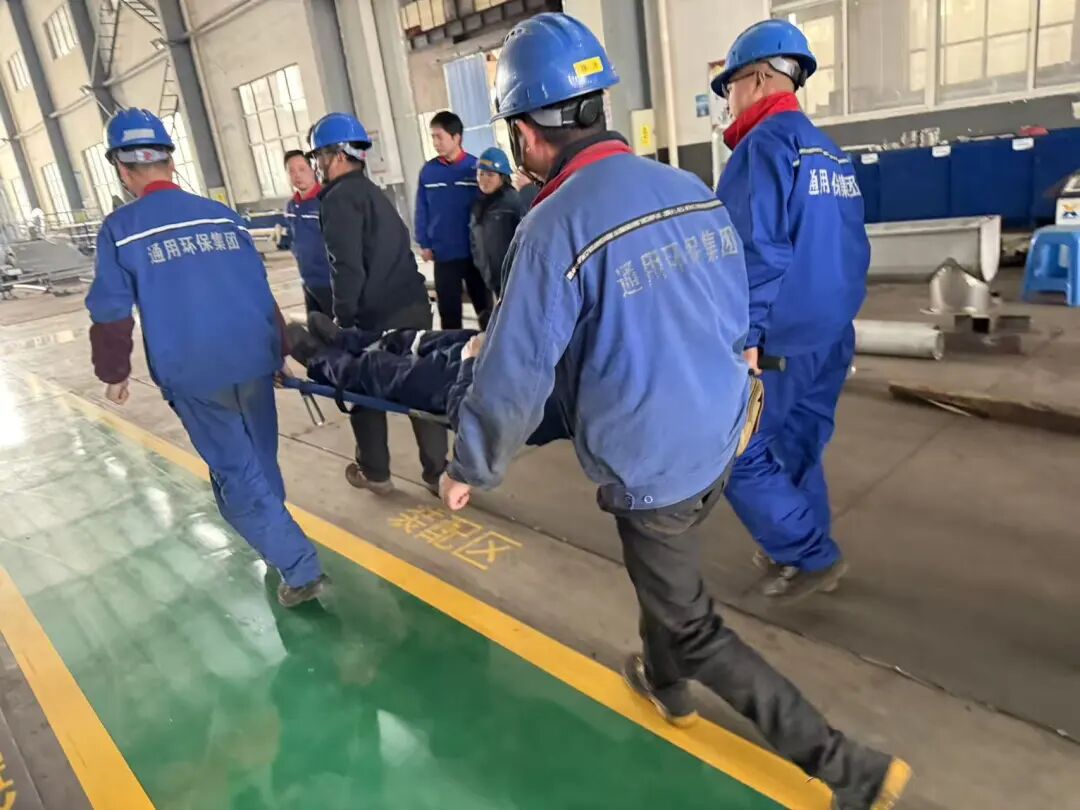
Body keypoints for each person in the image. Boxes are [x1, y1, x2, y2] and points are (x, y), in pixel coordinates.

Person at [437, 14, 909, 810]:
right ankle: (665, 684)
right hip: (724, 428)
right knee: (666, 581)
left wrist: (468, 465)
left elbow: (516, 371)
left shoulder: (553, 225)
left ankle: (850, 768)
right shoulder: (688, 188)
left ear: (525, 131)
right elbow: (735, 309)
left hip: (655, 463)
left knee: (691, 620)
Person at [85, 108, 326, 609]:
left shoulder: (121, 229)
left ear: (123, 170)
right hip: (252, 358)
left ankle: (299, 566)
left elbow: (111, 310)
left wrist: (114, 373)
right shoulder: (222, 217)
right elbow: (258, 288)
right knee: (258, 460)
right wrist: (277, 351)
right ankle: (278, 539)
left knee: (236, 476)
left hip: (194, 372)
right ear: (170, 163)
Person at [714, 20, 868, 603]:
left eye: (730, 86)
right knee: (797, 444)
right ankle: (801, 542)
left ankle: (809, 554)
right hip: (831, 335)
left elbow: (754, 251)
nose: (728, 101)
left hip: (780, 341)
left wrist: (746, 336)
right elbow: (853, 245)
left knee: (735, 450)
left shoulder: (764, 147)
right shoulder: (829, 152)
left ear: (757, 79)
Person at [307, 112, 448, 496]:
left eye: (319, 156)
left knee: (361, 387)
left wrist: (343, 321)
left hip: (377, 315)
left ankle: (375, 471)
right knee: (419, 387)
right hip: (413, 306)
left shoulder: (338, 200)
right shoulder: (373, 194)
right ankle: (438, 474)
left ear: (337, 156)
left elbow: (347, 267)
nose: (317, 164)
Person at [415, 111, 492, 328]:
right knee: (449, 315)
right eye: (432, 137)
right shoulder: (429, 172)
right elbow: (421, 208)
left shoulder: (475, 169)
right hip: (444, 253)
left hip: (474, 253)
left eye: (439, 137)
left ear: (456, 137)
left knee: (486, 311)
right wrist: (424, 243)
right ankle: (453, 349)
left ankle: (490, 346)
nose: (435, 143)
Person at [469, 146, 524, 321]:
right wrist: (481, 264)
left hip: (514, 279)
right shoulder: (479, 205)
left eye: (490, 175)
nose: (484, 180)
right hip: (492, 277)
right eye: (481, 174)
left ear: (502, 176)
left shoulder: (514, 203)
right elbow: (475, 240)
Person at [283, 149, 333, 316]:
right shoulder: (291, 207)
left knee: (336, 328)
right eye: (291, 171)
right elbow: (293, 239)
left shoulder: (326, 201)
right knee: (316, 327)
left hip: (330, 282)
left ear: (313, 169)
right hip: (307, 281)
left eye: (302, 169)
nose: (297, 175)